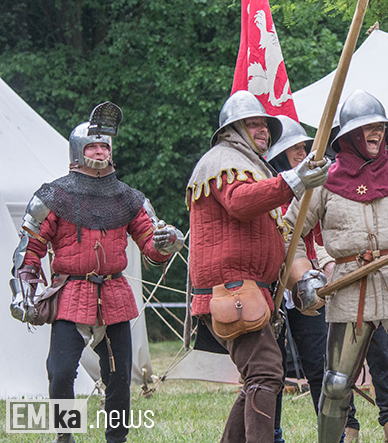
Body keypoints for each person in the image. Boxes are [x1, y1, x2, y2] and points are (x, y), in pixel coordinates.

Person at [10, 102, 185, 443]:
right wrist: (23, 289)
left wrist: (167, 243)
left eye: (105, 146)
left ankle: (116, 440)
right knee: (60, 373)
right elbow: (28, 250)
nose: (100, 151)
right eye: (93, 145)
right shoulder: (52, 196)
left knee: (118, 380)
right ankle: (64, 436)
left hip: (115, 297)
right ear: (78, 151)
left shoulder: (129, 198)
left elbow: (150, 245)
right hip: (71, 295)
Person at [284, 89, 388, 443]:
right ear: (350, 136)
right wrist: (302, 277)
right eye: (367, 127)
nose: (376, 133)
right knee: (336, 383)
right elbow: (291, 234)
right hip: (348, 285)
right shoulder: (324, 180)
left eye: (379, 127)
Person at [186, 90, 330, 443]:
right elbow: (240, 203)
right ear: (232, 129)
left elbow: (273, 234)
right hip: (233, 289)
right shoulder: (221, 161)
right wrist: (293, 180)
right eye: (253, 124)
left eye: (265, 124)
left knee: (258, 377)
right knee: (265, 374)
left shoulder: (250, 166)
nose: (263, 130)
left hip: (250, 289)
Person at [265, 115, 388, 443]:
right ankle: (272, 434)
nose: (304, 152)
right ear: (279, 153)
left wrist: (329, 267)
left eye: (305, 146)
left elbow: (331, 233)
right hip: (271, 288)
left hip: (321, 281)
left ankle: (363, 425)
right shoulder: (266, 188)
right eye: (296, 148)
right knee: (272, 369)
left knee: (330, 367)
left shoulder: (321, 181)